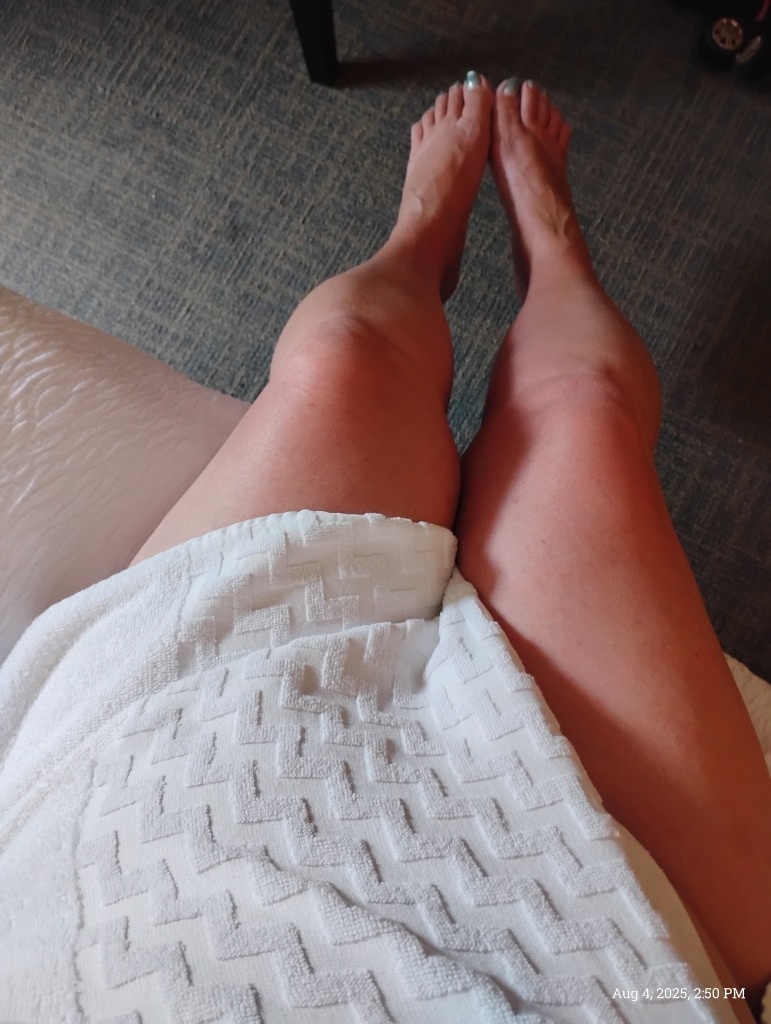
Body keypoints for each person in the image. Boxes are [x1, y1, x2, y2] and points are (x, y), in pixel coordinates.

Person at [1, 73, 769, 1022]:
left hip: (167, 804)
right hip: (635, 950)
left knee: (350, 355)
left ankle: (421, 239)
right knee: (581, 408)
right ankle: (553, 246)